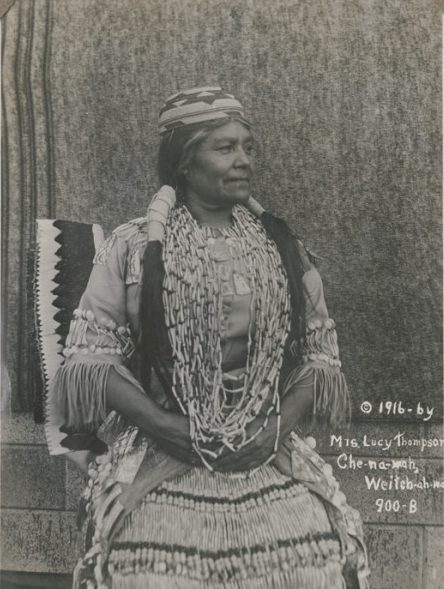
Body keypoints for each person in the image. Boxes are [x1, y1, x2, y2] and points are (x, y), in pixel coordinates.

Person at [46, 86, 370, 589]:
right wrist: (167, 427)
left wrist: (273, 431)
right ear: (183, 163)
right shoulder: (132, 247)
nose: (244, 160)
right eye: (226, 148)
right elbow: (93, 359)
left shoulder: (282, 247)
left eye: (247, 146)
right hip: (164, 448)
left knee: (315, 561)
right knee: (147, 568)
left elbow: (320, 359)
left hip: (265, 446)